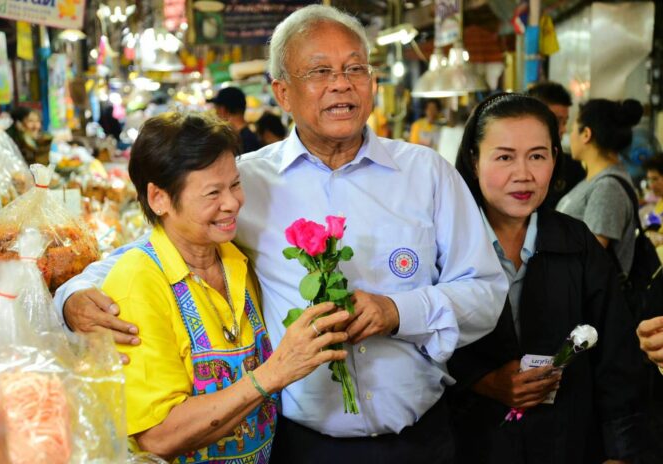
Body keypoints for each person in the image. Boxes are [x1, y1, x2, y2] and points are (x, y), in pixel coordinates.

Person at [54, 5, 508, 463]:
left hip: (421, 439)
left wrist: (399, 310)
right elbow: (153, 250)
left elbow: (486, 292)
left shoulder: (426, 173)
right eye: (320, 71)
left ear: (372, 82)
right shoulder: (246, 182)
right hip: (300, 446)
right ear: (283, 93)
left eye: (355, 68)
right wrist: (73, 295)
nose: (341, 83)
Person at [100, 111, 349, 463]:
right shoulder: (137, 281)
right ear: (159, 198)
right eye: (213, 192)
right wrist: (273, 373)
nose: (233, 203)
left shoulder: (236, 259)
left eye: (234, 184)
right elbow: (158, 436)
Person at [450, 93, 643, 463]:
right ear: (474, 161)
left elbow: (617, 357)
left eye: (537, 155)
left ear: (556, 158)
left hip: (566, 441)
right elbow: (419, 345)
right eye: (504, 156)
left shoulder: (577, 243)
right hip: (472, 443)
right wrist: (484, 380)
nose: (523, 174)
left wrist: (620, 452)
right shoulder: (446, 244)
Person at [556, 98, 644, 274]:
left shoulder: (607, 188)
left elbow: (590, 256)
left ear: (586, 134)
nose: (568, 134)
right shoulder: (596, 180)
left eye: (573, 128)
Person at [526, 81, 586, 209]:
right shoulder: (513, 165)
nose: (563, 129)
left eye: (565, 122)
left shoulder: (572, 168)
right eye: (557, 121)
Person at [209, 87, 261, 154]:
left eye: (216, 108)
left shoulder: (238, 141)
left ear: (223, 110)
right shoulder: (251, 136)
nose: (216, 113)